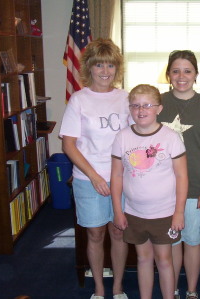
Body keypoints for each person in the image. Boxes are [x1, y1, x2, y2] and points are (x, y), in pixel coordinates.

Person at [59, 38, 130, 299]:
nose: (104, 71)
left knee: (119, 232)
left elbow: (136, 137)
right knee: (96, 233)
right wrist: (94, 176)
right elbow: (69, 145)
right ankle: (100, 289)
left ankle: (118, 286)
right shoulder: (79, 99)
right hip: (88, 179)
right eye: (99, 65)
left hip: (121, 178)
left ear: (117, 68)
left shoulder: (126, 98)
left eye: (110, 66)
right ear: (89, 67)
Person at [157, 50, 200, 299]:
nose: (181, 76)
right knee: (172, 242)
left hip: (196, 187)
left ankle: (192, 290)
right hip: (164, 190)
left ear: (196, 75)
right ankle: (172, 288)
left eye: (187, 70)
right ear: (168, 74)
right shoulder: (158, 104)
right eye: (175, 70)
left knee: (192, 240)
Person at [110, 84, 188, 299]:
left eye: (147, 105)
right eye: (135, 105)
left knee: (164, 260)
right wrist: (118, 210)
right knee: (143, 259)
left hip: (164, 213)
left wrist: (179, 212)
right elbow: (116, 176)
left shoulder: (170, 137)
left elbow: (181, 176)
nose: (140, 110)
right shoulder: (122, 137)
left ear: (159, 109)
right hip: (134, 212)